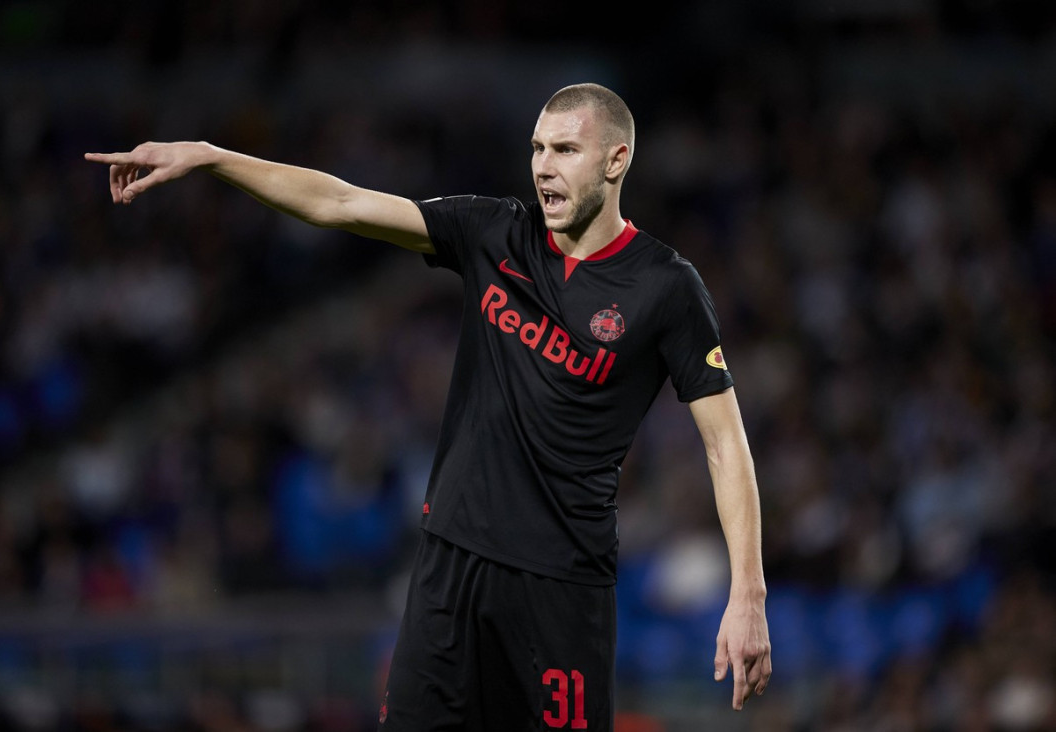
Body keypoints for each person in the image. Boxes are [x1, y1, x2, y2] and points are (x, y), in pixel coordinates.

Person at [86, 82, 771, 731]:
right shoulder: (492, 232)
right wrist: (212, 158)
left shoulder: (665, 287)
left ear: (615, 160)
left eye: (565, 150)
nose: (543, 166)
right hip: (450, 565)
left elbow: (725, 445)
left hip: (560, 587)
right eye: (537, 148)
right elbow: (340, 203)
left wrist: (747, 595)